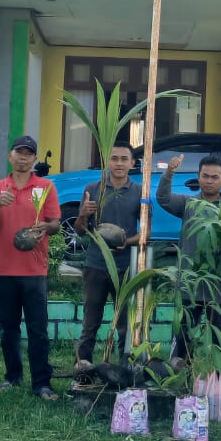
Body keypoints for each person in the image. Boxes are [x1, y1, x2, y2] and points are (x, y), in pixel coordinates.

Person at [158, 154, 221, 407]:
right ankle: (176, 381)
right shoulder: (188, 204)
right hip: (190, 287)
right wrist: (169, 173)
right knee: (182, 338)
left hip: (220, 288)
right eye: (205, 176)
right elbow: (163, 199)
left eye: (214, 177)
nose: (209, 181)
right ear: (198, 177)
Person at [0, 135, 61, 400]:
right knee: (8, 328)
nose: (23, 157)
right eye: (19, 152)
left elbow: (55, 223)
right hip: (4, 269)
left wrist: (45, 228)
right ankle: (12, 376)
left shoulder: (45, 187)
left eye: (29, 153)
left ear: (34, 159)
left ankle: (42, 382)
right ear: (10, 156)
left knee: (37, 329)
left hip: (34, 269)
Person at [73, 141, 141, 364]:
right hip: (96, 265)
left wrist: (127, 242)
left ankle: (124, 368)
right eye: (114, 159)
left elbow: (147, 232)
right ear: (107, 162)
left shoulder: (140, 192)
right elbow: (81, 231)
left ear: (132, 163)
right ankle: (83, 368)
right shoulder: (93, 189)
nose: (119, 163)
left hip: (124, 266)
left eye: (124, 159)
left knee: (124, 323)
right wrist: (83, 214)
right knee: (90, 321)